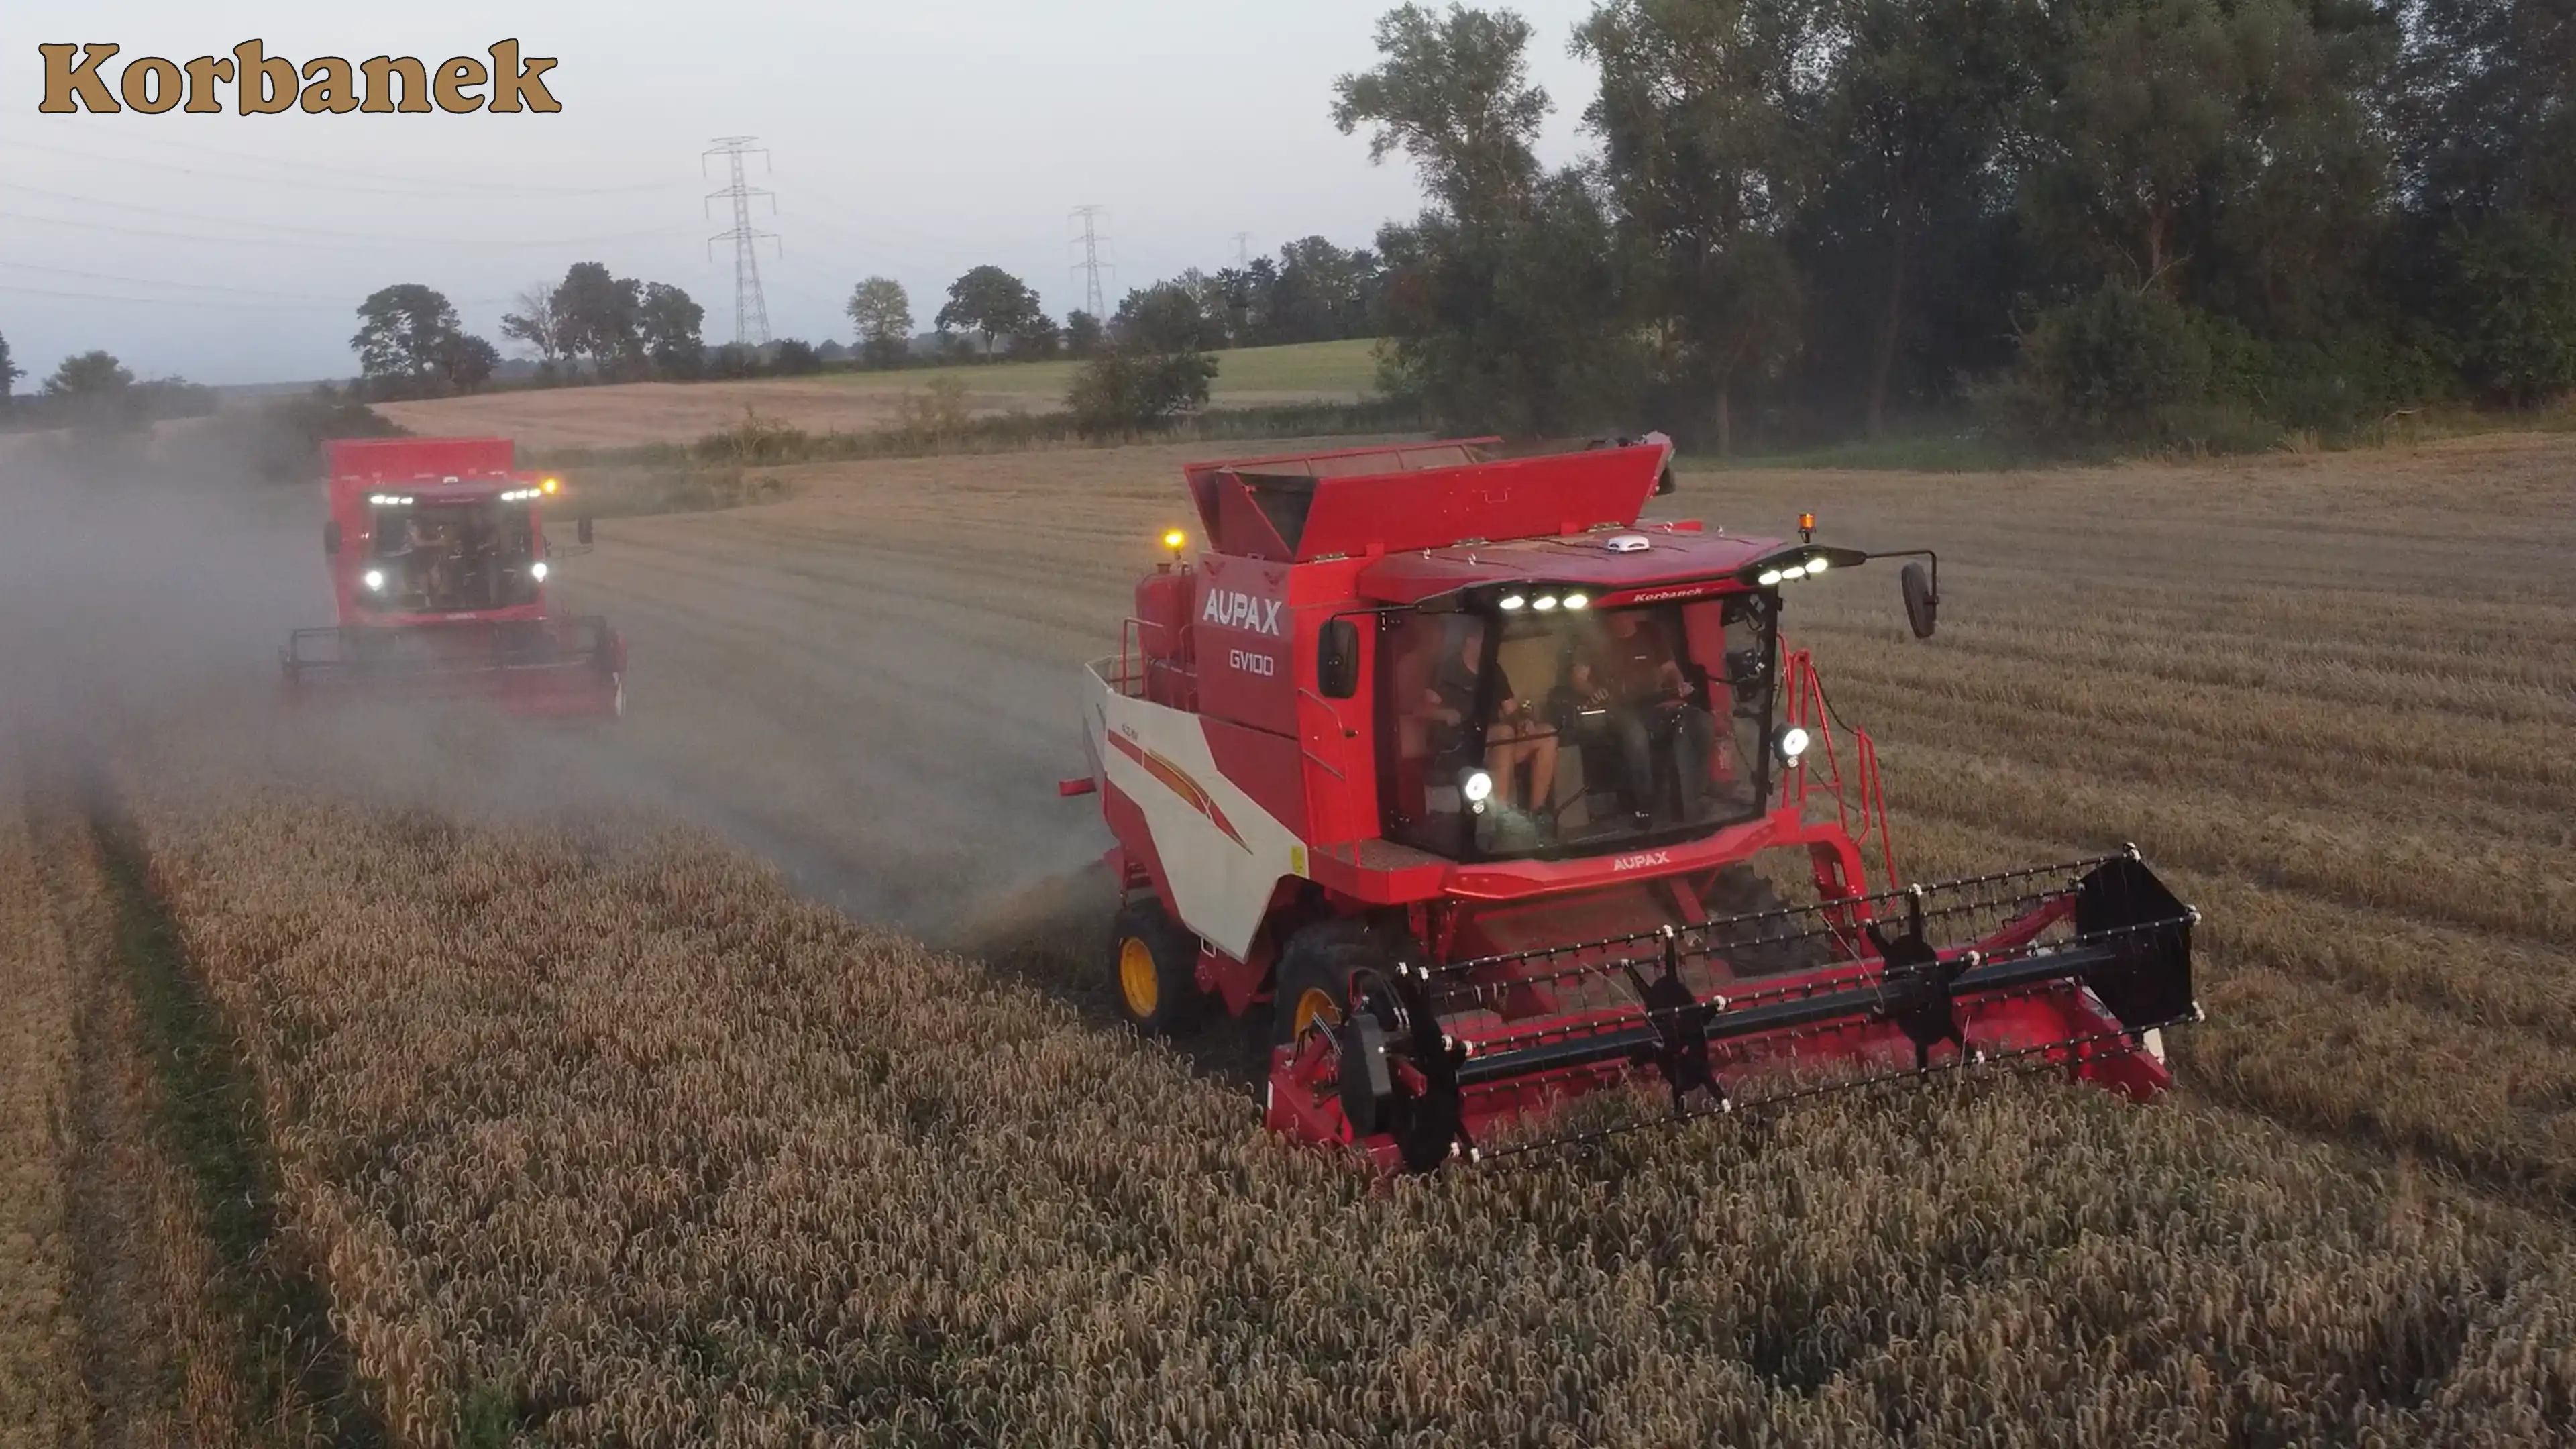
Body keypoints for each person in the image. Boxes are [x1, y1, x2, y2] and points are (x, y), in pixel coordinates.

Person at [1570, 609, 1717, 825]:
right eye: (1618, 613)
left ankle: (1694, 797)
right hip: (1617, 708)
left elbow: (1670, 669)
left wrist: (1677, 683)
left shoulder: (1651, 633)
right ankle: (1646, 805)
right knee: (1635, 734)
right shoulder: (1594, 639)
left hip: (1656, 703)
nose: (1625, 618)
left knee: (1702, 723)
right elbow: (1578, 678)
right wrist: (1594, 690)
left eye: (1628, 613)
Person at [1420, 625, 1558, 817]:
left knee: (1547, 734)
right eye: (1486, 639)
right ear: (1470, 640)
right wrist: (1445, 713)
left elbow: (1511, 709)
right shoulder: (1446, 669)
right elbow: (1423, 710)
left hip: (1498, 742)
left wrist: (1523, 720)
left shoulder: (1494, 670)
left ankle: (1538, 814)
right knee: (1504, 734)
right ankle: (1500, 819)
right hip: (1461, 746)